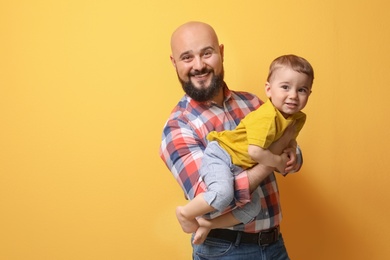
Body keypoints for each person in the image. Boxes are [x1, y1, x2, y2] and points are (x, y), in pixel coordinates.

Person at [160, 21, 303, 260]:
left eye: (207, 53)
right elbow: (217, 198)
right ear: (174, 63)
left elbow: (293, 157)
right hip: (224, 252)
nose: (199, 65)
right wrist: (274, 158)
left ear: (221, 53)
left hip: (275, 245)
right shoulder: (178, 127)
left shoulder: (254, 104)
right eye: (187, 57)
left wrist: (290, 156)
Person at [175, 54, 314, 245]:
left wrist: (290, 148)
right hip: (222, 155)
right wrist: (279, 160)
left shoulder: (295, 117)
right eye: (285, 87)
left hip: (240, 167)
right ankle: (185, 212)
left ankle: (208, 224)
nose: (293, 96)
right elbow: (255, 152)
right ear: (269, 89)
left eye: (302, 90)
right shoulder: (266, 116)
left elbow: (290, 144)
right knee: (223, 193)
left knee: (252, 208)